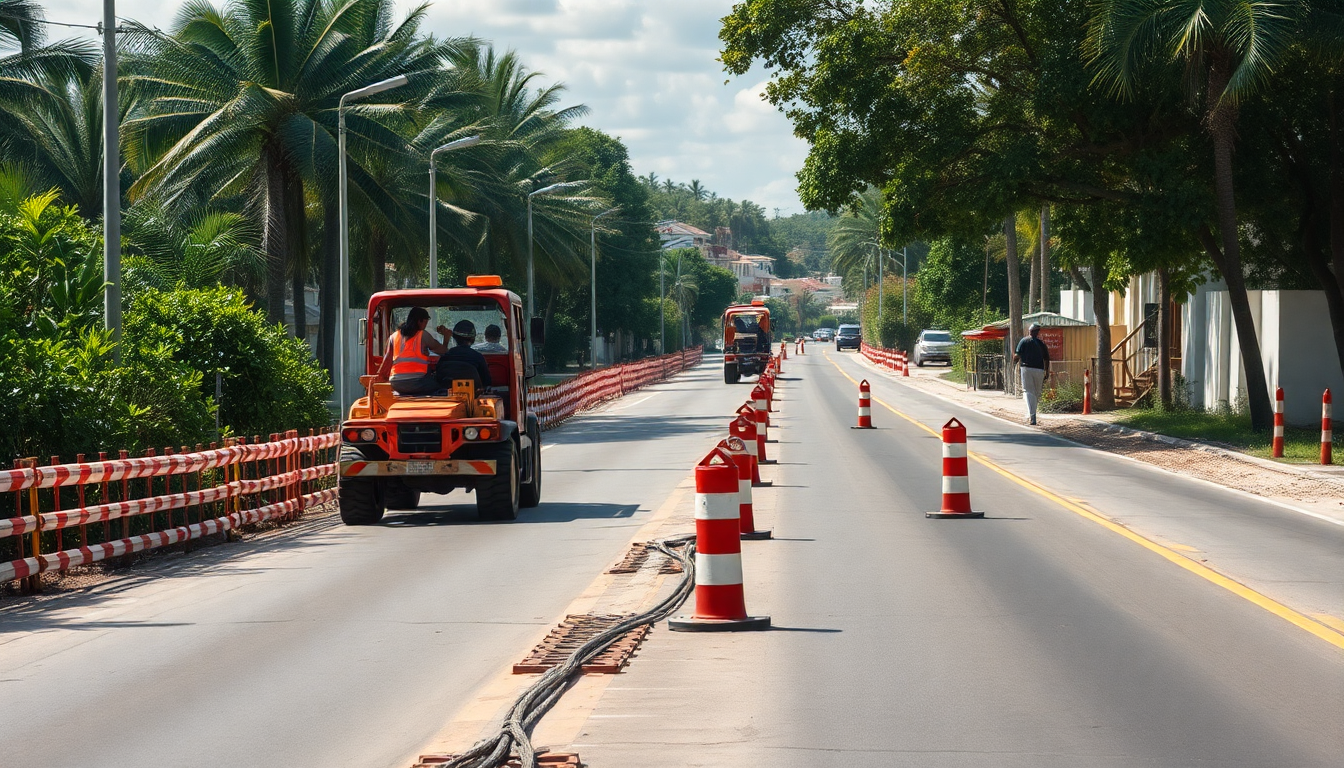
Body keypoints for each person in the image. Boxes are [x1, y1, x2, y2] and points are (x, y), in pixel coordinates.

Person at [378, 307, 449, 396]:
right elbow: (443, 351)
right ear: (419, 321)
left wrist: (380, 378)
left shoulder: (393, 337)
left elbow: (386, 362)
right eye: (425, 323)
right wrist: (446, 337)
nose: (425, 326)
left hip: (396, 383)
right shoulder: (423, 335)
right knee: (441, 386)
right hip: (418, 382)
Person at [437, 319, 492, 389]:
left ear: (454, 337)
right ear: (473, 338)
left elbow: (438, 378)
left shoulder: (445, 357)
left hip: (447, 394)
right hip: (473, 394)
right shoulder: (478, 357)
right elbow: (486, 382)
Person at [1013, 322, 1051, 425]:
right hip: (1039, 370)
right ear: (1037, 332)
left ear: (1030, 331)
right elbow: (1047, 359)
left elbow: (1017, 356)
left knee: (1028, 391)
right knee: (1036, 393)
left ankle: (1032, 416)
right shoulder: (1041, 344)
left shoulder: (1024, 341)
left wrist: (1014, 361)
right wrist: (1046, 371)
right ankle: (1032, 414)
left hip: (1026, 369)